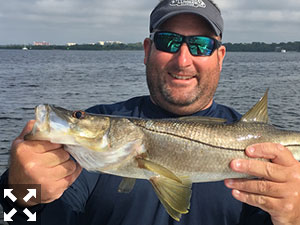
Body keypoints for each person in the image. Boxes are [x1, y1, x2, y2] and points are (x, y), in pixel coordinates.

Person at [1, 0, 300, 224]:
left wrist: (295, 216)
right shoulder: (86, 148)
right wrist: (19, 192)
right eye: (168, 41)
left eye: (201, 45)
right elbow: (20, 219)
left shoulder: (273, 162)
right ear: (147, 50)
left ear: (220, 57)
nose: (183, 60)